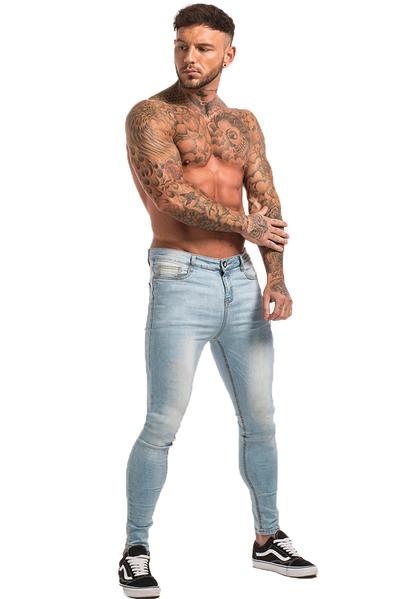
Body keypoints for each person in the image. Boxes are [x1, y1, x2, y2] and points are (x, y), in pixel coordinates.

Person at [118, 4, 318, 597]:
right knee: (162, 421)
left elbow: (266, 200)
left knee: (262, 420)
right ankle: (135, 547)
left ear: (228, 55)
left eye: (204, 48)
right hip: (180, 276)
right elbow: (168, 193)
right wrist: (245, 225)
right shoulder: (150, 114)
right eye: (182, 45)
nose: (190, 57)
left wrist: (275, 277)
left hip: (241, 281)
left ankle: (268, 538)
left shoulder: (245, 123)